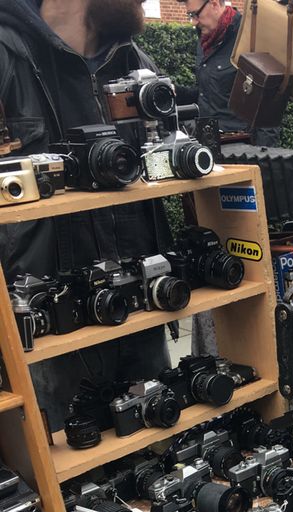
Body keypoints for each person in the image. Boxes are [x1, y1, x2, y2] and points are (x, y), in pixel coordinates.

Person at [0, 0, 173, 431]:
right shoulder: (7, 56)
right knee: (63, 481)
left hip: (141, 312)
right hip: (46, 330)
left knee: (160, 460)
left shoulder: (137, 63)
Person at [178, 0, 279, 145]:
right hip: (210, 146)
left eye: (195, 14)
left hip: (242, 150)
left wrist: (262, 158)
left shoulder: (249, 37)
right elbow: (213, 93)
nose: (193, 22)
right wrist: (178, 93)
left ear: (214, 4)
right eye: (190, 15)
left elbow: (268, 109)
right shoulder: (205, 41)